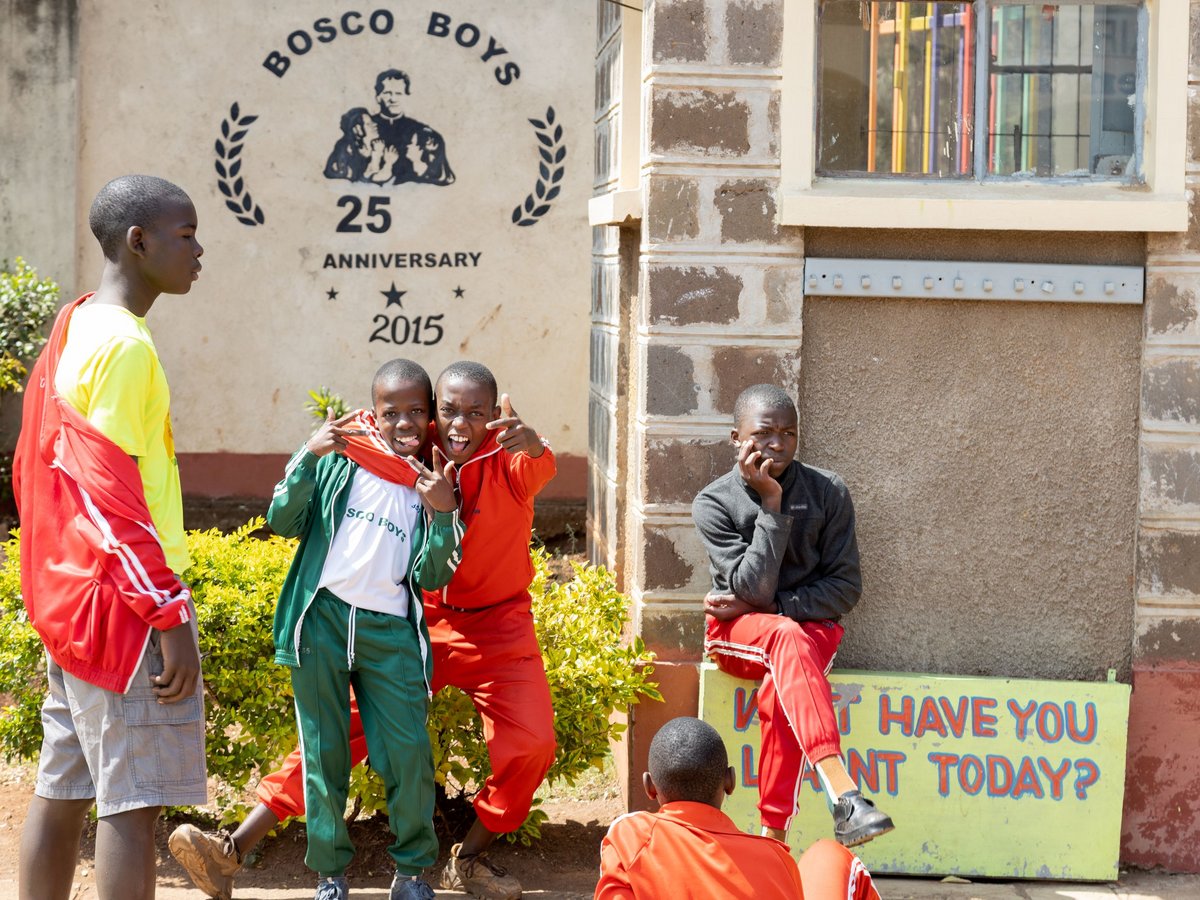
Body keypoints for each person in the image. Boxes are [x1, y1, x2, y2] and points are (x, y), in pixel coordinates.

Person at [170, 360, 556, 900]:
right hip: (416, 618)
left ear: (494, 415)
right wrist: (323, 444)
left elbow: (538, 468)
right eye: (446, 411)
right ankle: (233, 847)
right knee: (334, 735)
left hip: (499, 625)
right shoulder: (412, 457)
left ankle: (467, 859)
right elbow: (361, 442)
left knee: (533, 743)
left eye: (474, 413)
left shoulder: (507, 457)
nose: (457, 424)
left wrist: (533, 443)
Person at [13, 175, 207, 900]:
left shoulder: (78, 320)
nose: (197, 251)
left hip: (74, 595)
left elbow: (42, 471)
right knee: (134, 803)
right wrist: (168, 614)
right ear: (139, 241)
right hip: (122, 610)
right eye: (185, 235)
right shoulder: (124, 347)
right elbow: (109, 498)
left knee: (63, 786)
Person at [692, 384, 894, 848]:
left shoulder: (828, 491)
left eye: (788, 433)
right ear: (735, 437)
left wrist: (778, 607)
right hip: (738, 634)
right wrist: (772, 503)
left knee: (780, 687)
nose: (776, 444)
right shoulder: (715, 502)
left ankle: (773, 840)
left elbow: (845, 588)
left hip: (809, 630)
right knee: (784, 637)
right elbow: (752, 588)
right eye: (763, 434)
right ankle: (843, 791)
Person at [595, 717, 880, 900]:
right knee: (829, 854)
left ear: (650, 787)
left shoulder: (630, 837)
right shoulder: (775, 859)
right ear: (730, 781)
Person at [370, 68, 454, 185]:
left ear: (406, 96)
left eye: (398, 93)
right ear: (377, 97)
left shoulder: (424, 133)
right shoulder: (365, 128)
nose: (393, 99)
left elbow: (442, 177)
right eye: (387, 93)